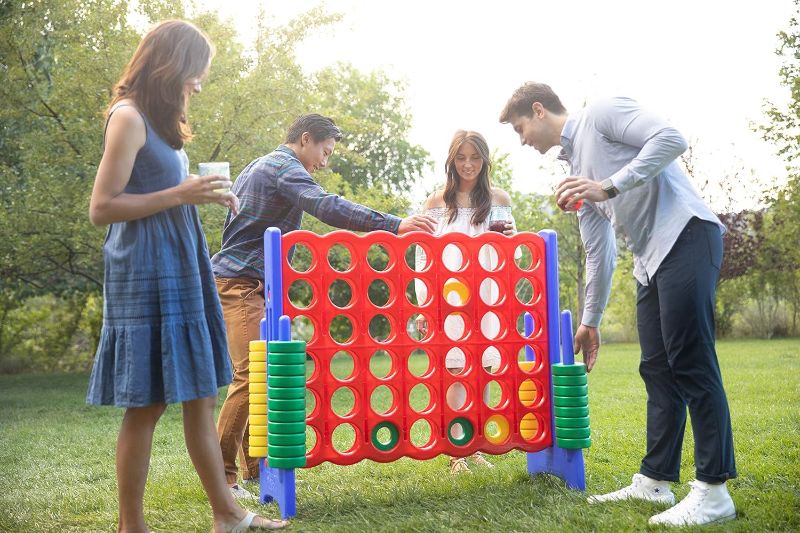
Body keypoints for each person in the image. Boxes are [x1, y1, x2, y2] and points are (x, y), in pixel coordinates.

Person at [499, 82, 736, 526]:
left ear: (538, 110)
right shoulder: (574, 176)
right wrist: (590, 320)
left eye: (520, 128)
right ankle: (656, 482)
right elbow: (598, 251)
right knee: (657, 369)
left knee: (691, 361)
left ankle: (715, 489)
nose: (522, 139)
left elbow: (671, 139)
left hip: (687, 234)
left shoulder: (602, 114)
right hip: (650, 261)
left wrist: (608, 186)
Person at [86, 20, 287, 532]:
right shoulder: (127, 118)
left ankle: (227, 514)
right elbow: (103, 207)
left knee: (202, 391)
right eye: (196, 72)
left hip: (183, 262)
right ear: (171, 63)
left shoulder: (163, 123)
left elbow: (166, 192)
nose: (198, 83)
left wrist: (204, 193)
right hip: (144, 270)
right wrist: (180, 194)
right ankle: (131, 527)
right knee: (148, 404)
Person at [211, 113, 438, 497]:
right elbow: (325, 205)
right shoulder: (284, 167)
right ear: (305, 139)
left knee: (262, 370)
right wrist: (394, 224)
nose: (324, 161)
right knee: (251, 373)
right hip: (240, 284)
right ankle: (222, 478)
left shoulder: (261, 165)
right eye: (324, 151)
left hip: (248, 281)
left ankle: (252, 470)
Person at [414, 130, 515, 475]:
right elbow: (421, 259)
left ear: (485, 160)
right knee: (456, 371)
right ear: (451, 160)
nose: (468, 164)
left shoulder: (499, 199)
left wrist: (509, 243)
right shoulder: (436, 202)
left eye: (475, 157)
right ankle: (457, 450)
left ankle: (476, 446)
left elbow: (511, 250)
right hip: (449, 298)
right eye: (461, 157)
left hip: (488, 296)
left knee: (486, 370)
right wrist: (424, 305)